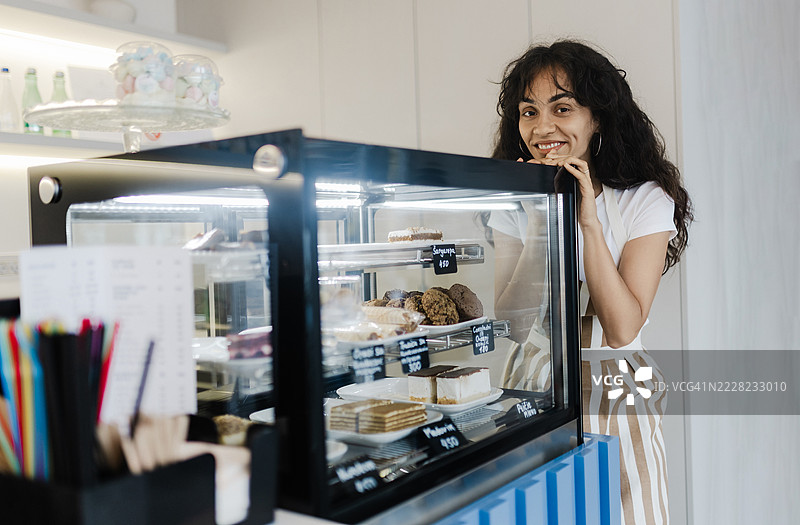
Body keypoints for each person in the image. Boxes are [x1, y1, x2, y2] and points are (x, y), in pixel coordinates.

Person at [490, 40, 692, 525]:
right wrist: (541, 215)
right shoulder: (511, 201)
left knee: (628, 514)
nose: (543, 128)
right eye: (529, 111)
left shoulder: (644, 199)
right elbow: (514, 325)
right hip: (533, 383)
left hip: (619, 385)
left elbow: (622, 328)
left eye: (563, 108)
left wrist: (587, 222)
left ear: (596, 118)